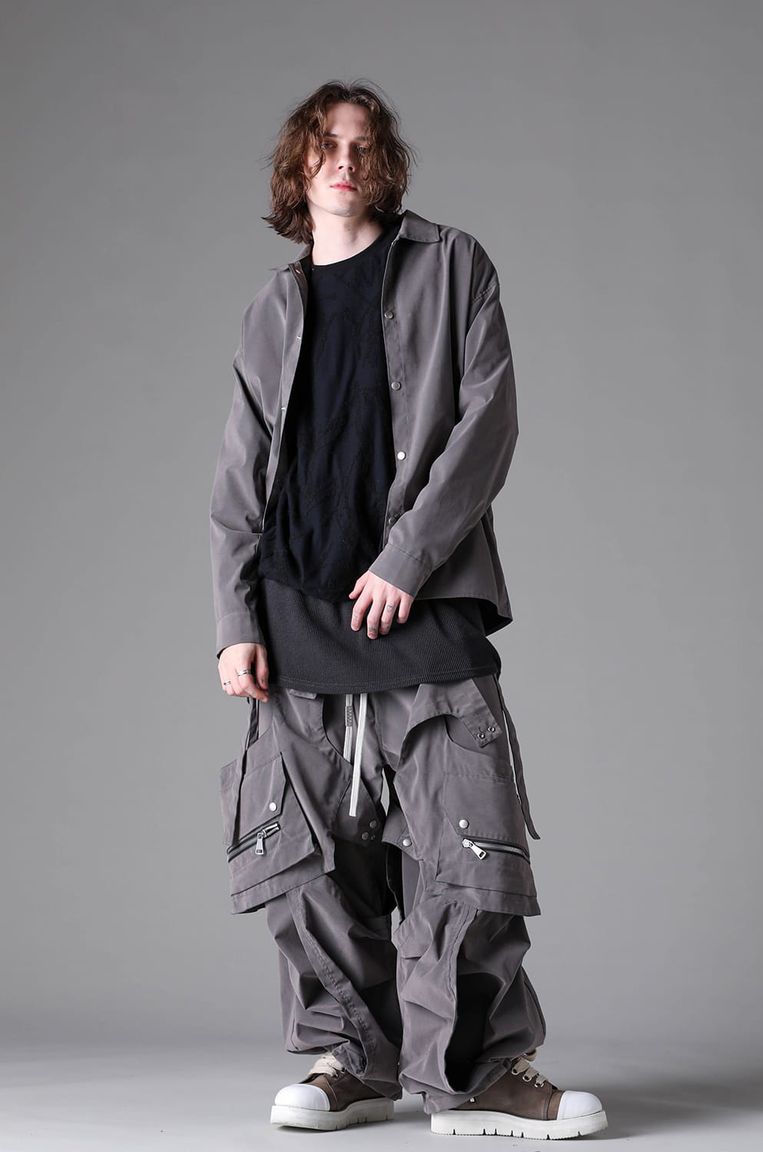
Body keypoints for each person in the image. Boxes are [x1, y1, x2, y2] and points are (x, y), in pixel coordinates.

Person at [209, 79, 608, 1140]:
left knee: (465, 839)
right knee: (313, 860)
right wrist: (235, 624)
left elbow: (489, 420)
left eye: (362, 144)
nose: (344, 160)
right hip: (296, 613)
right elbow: (239, 481)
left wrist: (407, 560)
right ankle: (354, 1058)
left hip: (421, 600)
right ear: (298, 168)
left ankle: (478, 1074)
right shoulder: (269, 310)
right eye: (324, 145)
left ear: (383, 163)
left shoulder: (453, 264)